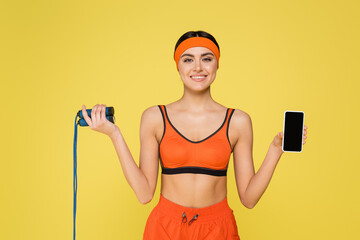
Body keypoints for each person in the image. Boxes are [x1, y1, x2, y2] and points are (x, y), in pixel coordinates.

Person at [81, 30, 308, 240]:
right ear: (177, 66)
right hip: (164, 227)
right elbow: (143, 194)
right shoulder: (155, 117)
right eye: (188, 59)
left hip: (218, 228)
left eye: (207, 58)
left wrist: (276, 149)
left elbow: (249, 199)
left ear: (217, 64)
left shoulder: (238, 121)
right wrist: (114, 134)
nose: (198, 67)